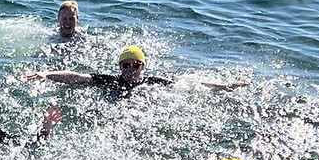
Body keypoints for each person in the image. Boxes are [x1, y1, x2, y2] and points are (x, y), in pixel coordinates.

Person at [27, 45, 249, 98]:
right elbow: (77, 77)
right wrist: (47, 74)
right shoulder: (109, 81)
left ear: (143, 66)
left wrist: (224, 86)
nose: (131, 69)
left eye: (136, 65)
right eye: (126, 65)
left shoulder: (153, 82)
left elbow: (191, 83)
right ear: (119, 67)